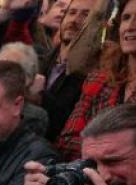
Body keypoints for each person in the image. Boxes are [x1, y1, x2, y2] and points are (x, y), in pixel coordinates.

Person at [56, 0, 136, 160]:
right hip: (88, 175)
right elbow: (67, 140)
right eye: (126, 18)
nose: (130, 26)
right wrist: (109, 157)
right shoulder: (99, 79)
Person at [41, 0, 98, 141]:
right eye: (71, 13)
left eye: (86, 15)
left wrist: (39, 95)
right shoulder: (39, 61)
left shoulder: (95, 75)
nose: (74, 20)